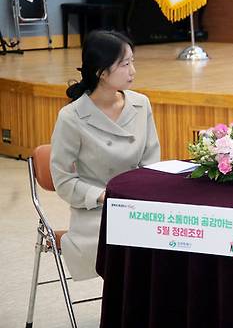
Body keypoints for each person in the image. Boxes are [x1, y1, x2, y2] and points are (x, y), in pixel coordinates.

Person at [51, 30, 160, 280]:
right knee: (132, 244)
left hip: (140, 204)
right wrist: (103, 196)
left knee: (176, 238)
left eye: (133, 61)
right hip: (96, 211)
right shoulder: (72, 117)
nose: (133, 70)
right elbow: (64, 181)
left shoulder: (141, 104)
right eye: (124, 64)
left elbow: (151, 163)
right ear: (101, 72)